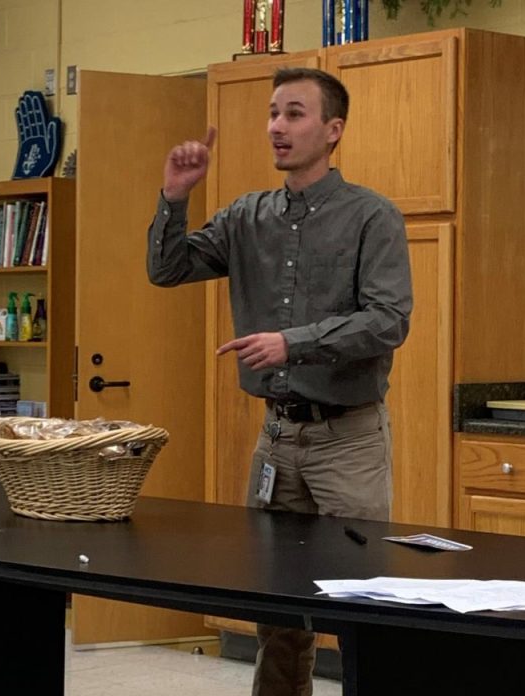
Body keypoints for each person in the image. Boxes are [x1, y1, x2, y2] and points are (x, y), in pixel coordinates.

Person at [147, 67, 412, 695]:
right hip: (276, 440)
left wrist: (292, 342)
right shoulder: (246, 216)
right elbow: (168, 269)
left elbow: (387, 320)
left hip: (347, 440)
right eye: (272, 113)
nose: (276, 126)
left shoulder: (372, 216)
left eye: (294, 113)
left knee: (358, 601)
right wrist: (175, 195)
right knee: (277, 609)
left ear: (333, 129)